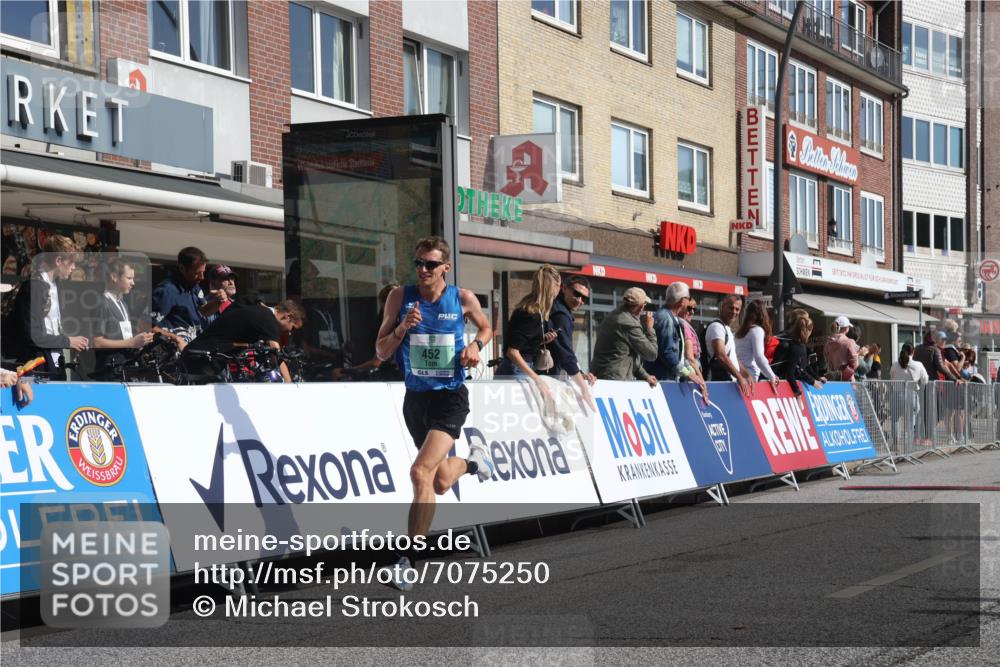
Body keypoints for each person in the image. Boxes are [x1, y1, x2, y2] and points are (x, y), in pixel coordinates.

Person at [373, 236, 494, 590]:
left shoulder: (462, 298)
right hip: (416, 400)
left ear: (445, 267)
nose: (423, 270)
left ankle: (407, 562)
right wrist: (401, 328)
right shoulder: (400, 298)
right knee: (439, 482)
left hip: (450, 397)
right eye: (418, 263)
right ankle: (474, 463)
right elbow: (380, 351)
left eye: (430, 264)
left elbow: (487, 327)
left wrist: (475, 345)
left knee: (419, 472)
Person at [11, 234, 89, 380]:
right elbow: (33, 336)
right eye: (71, 263)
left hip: (54, 362)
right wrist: (68, 341)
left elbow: (51, 328)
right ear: (58, 261)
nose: (74, 268)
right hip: (37, 365)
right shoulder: (34, 287)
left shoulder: (55, 286)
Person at [181, 299, 305, 383]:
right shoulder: (269, 320)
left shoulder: (254, 304)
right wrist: (288, 385)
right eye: (293, 328)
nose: (290, 333)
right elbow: (276, 355)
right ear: (288, 316)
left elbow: (248, 300)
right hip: (203, 363)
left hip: (194, 353)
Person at [495, 265, 561, 401]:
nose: (559, 290)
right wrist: (537, 379)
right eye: (559, 286)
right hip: (517, 371)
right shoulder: (532, 314)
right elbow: (512, 351)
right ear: (552, 287)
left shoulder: (529, 309)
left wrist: (541, 340)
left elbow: (520, 343)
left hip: (516, 369)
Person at [92, 258, 156, 376]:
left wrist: (140, 342)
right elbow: (97, 342)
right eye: (129, 278)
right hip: (110, 370)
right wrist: (131, 343)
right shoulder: (102, 303)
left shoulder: (123, 304)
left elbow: (125, 337)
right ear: (114, 277)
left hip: (124, 367)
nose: (133, 283)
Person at [645, 282, 708, 397]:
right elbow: (667, 353)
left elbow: (679, 354)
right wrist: (688, 374)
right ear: (682, 301)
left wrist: (691, 373)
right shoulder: (665, 318)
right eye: (688, 299)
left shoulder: (673, 318)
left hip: (666, 380)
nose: (689, 302)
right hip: (660, 382)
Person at [589, 287, 659, 387]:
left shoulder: (615, 315)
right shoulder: (628, 323)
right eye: (644, 306)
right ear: (640, 307)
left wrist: (645, 376)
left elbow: (626, 355)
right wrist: (649, 328)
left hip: (606, 376)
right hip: (614, 381)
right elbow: (651, 354)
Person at [151, 247, 224, 343]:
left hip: (190, 347)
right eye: (197, 273)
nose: (202, 277)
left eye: (203, 272)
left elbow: (204, 311)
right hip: (173, 349)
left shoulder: (194, 286)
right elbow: (145, 326)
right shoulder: (167, 291)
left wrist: (218, 302)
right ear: (182, 268)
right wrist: (176, 338)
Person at [548, 275, 597, 400]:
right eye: (576, 294)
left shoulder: (561, 308)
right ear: (564, 288)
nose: (580, 301)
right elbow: (566, 354)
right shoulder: (561, 314)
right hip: (541, 374)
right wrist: (583, 387)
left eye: (584, 298)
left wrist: (580, 373)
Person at [704, 295, 753, 395]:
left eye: (737, 309)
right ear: (723, 306)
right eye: (731, 308)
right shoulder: (717, 327)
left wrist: (746, 374)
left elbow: (732, 357)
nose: (734, 312)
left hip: (729, 383)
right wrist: (739, 377)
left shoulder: (726, 328)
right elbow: (721, 355)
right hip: (718, 384)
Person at [777, 311, 825, 400]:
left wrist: (816, 377)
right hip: (783, 385)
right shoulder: (796, 345)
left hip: (778, 381)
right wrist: (798, 391)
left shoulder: (792, 340)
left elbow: (804, 364)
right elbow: (793, 371)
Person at [735, 299, 780, 391]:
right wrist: (772, 376)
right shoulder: (757, 330)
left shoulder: (739, 332)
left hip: (738, 374)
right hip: (750, 376)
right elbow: (759, 357)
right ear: (763, 314)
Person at [890, 343, 930, 442]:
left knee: (895, 419)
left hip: (897, 394)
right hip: (912, 395)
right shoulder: (918, 365)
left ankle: (896, 441)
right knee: (911, 420)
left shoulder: (895, 364)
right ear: (913, 351)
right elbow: (925, 380)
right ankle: (909, 444)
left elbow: (892, 377)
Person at [823, 316, 861, 381]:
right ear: (846, 328)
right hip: (847, 378)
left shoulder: (828, 343)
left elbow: (827, 361)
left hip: (833, 377)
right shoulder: (849, 342)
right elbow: (855, 363)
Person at [680, 298, 702, 374]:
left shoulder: (683, 324)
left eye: (694, 309)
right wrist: (700, 377)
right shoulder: (683, 325)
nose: (692, 312)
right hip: (689, 368)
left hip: (690, 367)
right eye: (689, 308)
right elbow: (689, 357)